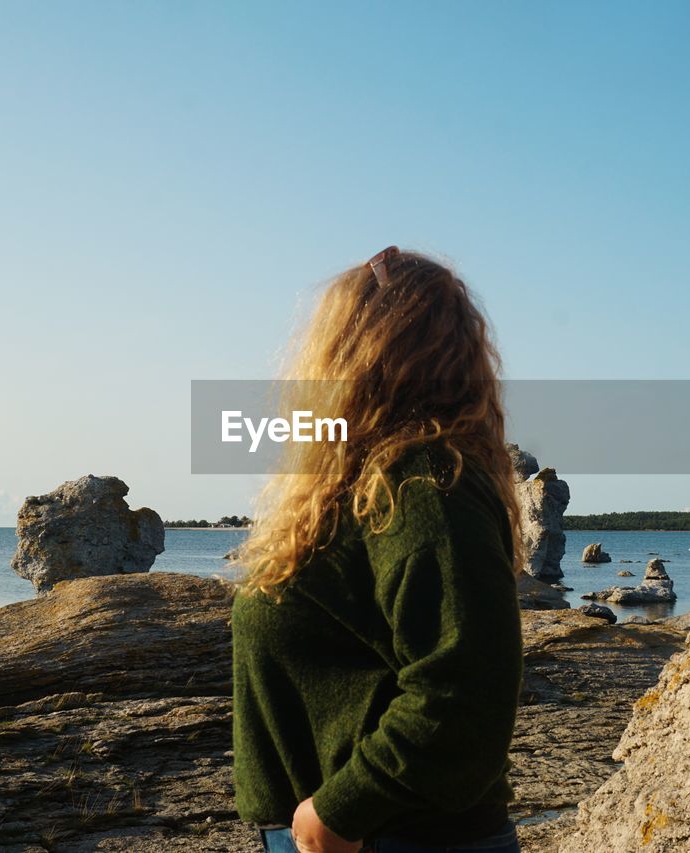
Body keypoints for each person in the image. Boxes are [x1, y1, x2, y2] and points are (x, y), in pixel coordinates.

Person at [230, 247, 525, 853]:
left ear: (355, 347)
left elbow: (466, 693)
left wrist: (340, 812)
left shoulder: (424, 483)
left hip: (392, 838)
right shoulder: (369, 481)